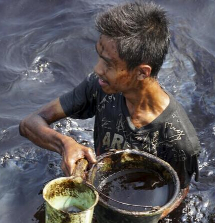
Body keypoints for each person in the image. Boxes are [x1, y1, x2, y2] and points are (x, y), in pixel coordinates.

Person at [19, 1, 201, 210]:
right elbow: (29, 124)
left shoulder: (178, 138)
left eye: (109, 64)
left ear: (142, 72)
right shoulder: (99, 88)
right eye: (99, 56)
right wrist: (65, 145)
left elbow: (178, 193)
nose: (97, 69)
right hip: (101, 191)